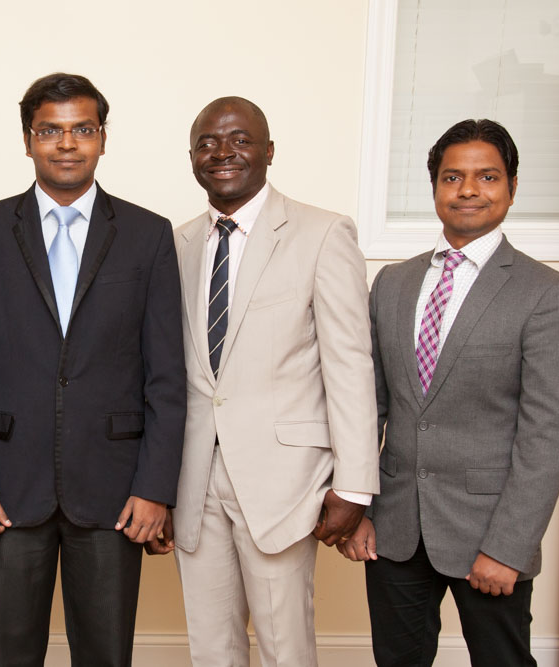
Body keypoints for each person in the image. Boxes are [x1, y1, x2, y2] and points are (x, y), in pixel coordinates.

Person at [0, 72, 186, 667]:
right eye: (50, 130)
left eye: (82, 129)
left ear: (103, 138)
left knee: (105, 655)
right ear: (27, 141)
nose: (67, 143)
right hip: (3, 488)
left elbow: (167, 378)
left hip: (114, 491)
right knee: (6, 654)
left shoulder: (148, 234)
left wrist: (155, 489)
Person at [338, 119, 559, 666]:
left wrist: (507, 548)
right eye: (452, 177)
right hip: (392, 530)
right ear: (436, 188)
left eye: (487, 176)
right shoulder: (392, 283)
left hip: (487, 536)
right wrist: (356, 508)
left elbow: (547, 435)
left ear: (512, 186)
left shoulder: (547, 295)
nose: (468, 189)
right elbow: (367, 407)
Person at [170, 97, 379, 667]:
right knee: (211, 647)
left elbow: (349, 364)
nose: (223, 152)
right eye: (207, 142)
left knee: (285, 647)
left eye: (239, 139)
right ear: (192, 158)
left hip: (285, 481)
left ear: (268, 151)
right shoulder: (177, 244)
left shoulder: (322, 232)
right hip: (193, 478)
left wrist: (356, 484)